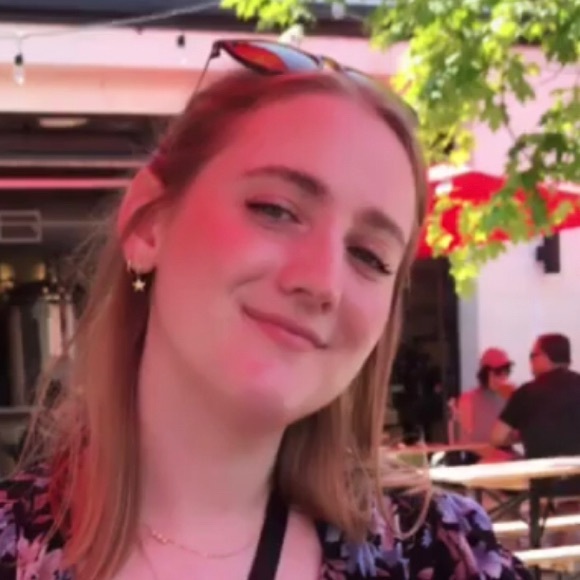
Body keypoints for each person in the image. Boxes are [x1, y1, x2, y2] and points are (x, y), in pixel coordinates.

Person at [0, 40, 530, 579]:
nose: (322, 282)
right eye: (275, 210)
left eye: (369, 256)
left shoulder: (441, 555)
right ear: (149, 223)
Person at [492, 333, 580, 464]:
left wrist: (525, 434)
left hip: (541, 473)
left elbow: (497, 437)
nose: (530, 362)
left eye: (532, 356)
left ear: (545, 357)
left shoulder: (525, 393)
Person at [453, 347, 517, 463]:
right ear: (485, 373)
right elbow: (464, 440)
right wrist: (493, 454)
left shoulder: (507, 396)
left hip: (505, 454)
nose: (502, 379)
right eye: (497, 373)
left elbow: (514, 435)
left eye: (506, 373)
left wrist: (517, 401)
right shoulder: (469, 398)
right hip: (478, 456)